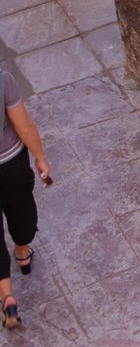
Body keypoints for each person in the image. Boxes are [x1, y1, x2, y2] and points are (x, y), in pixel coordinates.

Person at [0, 66, 51, 331]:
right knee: (21, 208)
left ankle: (8, 296)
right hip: (10, 162)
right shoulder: (3, 79)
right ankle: (22, 253)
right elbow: (24, 126)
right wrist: (40, 158)